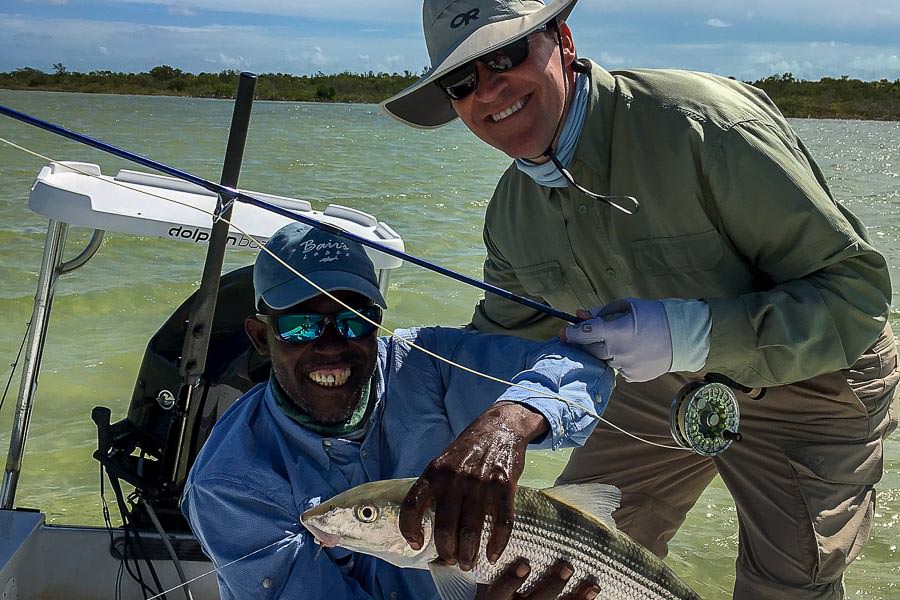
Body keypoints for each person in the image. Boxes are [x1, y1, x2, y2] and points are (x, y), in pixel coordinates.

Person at [381, 1, 900, 598]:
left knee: (788, 585)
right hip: (657, 387)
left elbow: (857, 298)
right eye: (461, 81)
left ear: (564, 40)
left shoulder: (707, 128)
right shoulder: (511, 214)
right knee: (568, 564)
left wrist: (690, 333)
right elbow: (493, 354)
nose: (489, 90)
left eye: (505, 54)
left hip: (816, 379)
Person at [181, 222, 615, 600]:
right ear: (260, 337)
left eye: (355, 320)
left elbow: (587, 362)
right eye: (301, 325)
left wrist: (510, 422)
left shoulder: (426, 363)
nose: (331, 345)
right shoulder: (229, 483)